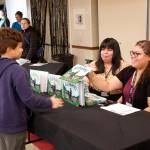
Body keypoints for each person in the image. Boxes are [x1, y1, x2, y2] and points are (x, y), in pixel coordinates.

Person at [0, 28, 64, 150]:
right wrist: (49, 102)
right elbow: (29, 99)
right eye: (19, 47)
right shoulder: (17, 71)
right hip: (13, 125)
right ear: (9, 49)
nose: (22, 49)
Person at [88, 40, 150, 111]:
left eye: (138, 54)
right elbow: (108, 86)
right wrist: (90, 74)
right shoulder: (129, 70)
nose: (133, 56)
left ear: (148, 57)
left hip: (140, 118)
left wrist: (134, 116)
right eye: (132, 53)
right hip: (125, 113)